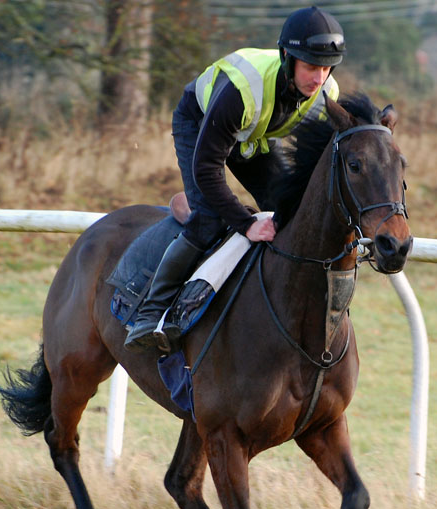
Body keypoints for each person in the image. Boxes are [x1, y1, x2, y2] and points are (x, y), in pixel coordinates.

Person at [124, 6, 346, 354]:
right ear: (287, 57)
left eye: (325, 67)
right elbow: (206, 169)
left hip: (251, 134)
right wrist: (244, 223)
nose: (319, 78)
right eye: (310, 67)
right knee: (209, 220)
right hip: (200, 123)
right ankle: (150, 312)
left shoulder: (325, 93)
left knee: (287, 212)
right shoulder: (242, 91)